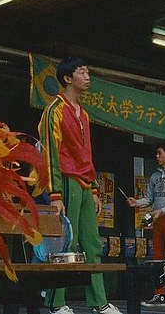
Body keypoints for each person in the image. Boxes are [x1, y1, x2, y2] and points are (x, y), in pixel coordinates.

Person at [39, 57, 122, 314]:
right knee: (66, 243)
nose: (87, 77)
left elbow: (86, 153)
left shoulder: (83, 113)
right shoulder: (54, 110)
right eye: (81, 72)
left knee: (92, 243)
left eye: (88, 72)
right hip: (65, 181)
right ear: (67, 78)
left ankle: (99, 302)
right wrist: (55, 194)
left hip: (84, 184)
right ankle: (55, 302)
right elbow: (50, 154)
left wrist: (94, 188)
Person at [127, 144, 165, 307]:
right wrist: (136, 202)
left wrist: (162, 210)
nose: (157, 156)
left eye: (160, 153)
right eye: (156, 153)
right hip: (157, 219)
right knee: (158, 259)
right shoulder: (154, 176)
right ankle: (159, 295)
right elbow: (149, 198)